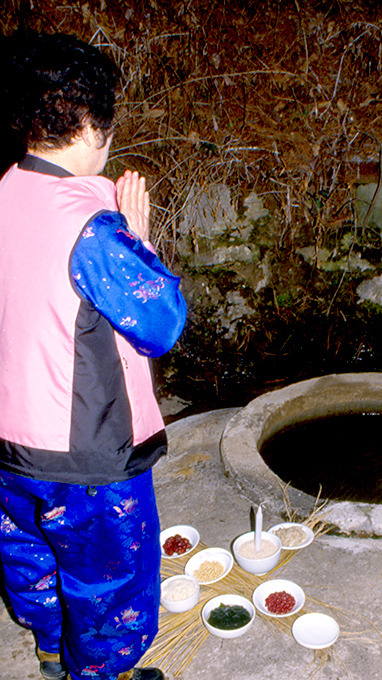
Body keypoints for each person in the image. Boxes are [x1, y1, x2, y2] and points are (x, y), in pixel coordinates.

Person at [0, 32, 187, 680]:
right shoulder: (94, 223)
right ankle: (98, 673)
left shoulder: (3, 192)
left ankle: (52, 652)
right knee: (111, 587)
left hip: (7, 448)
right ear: (88, 124)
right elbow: (161, 324)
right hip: (85, 457)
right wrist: (141, 239)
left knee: (33, 556)